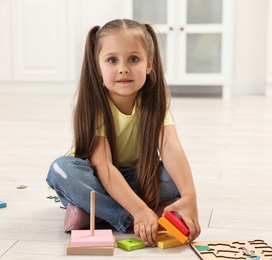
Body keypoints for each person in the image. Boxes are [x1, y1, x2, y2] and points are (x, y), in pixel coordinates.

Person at [46, 19, 200, 246]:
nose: (123, 68)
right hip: (94, 179)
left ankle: (94, 213)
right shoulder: (95, 105)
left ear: (150, 64)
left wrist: (190, 197)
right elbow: (104, 167)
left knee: (173, 178)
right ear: (98, 66)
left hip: (136, 177)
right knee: (60, 170)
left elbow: (170, 147)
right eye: (112, 60)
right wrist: (138, 210)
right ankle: (132, 217)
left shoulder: (153, 103)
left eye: (134, 59)